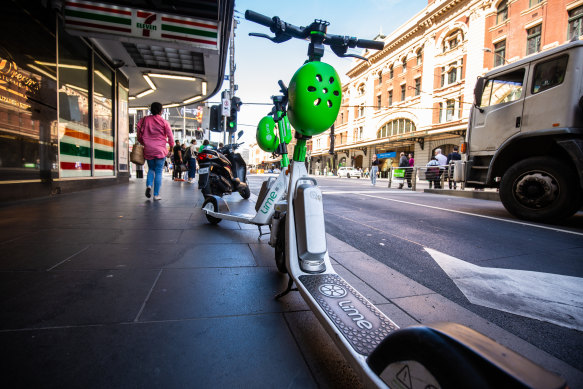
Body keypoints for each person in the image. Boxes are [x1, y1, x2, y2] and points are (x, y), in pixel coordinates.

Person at [137, 102, 174, 201]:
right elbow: (170, 137)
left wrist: (145, 143)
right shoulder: (164, 122)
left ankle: (149, 186)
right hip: (160, 150)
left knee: (151, 169)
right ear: (161, 111)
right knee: (158, 172)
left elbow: (139, 135)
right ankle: (156, 194)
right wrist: (171, 147)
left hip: (148, 149)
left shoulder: (144, 120)